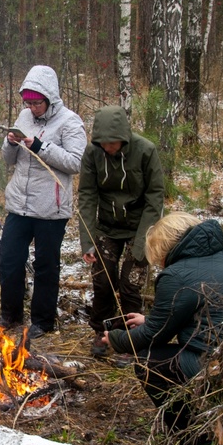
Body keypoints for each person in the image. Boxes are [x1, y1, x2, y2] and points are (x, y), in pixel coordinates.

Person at [96, 212, 223, 445]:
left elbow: (152, 338)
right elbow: (195, 312)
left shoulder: (176, 276)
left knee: (150, 362)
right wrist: (150, 320)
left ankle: (195, 441)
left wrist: (116, 339)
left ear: (163, 249)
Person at [0, 65, 87, 344]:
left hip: (51, 209)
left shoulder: (70, 122)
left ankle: (43, 321)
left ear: (50, 98)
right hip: (18, 205)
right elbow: (9, 160)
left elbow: (76, 162)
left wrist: (39, 146)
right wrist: (11, 143)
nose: (32, 108)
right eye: (28, 102)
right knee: (10, 262)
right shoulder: (24, 116)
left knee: (46, 266)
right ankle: (10, 316)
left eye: (37, 102)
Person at [77, 104, 167, 357]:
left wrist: (142, 244)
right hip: (107, 225)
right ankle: (102, 332)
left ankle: (129, 339)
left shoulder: (145, 151)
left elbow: (155, 197)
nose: (108, 147)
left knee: (130, 285)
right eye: (103, 143)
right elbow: (87, 195)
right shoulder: (92, 154)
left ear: (124, 137)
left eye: (112, 143)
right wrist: (88, 241)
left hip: (140, 226)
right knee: (103, 282)